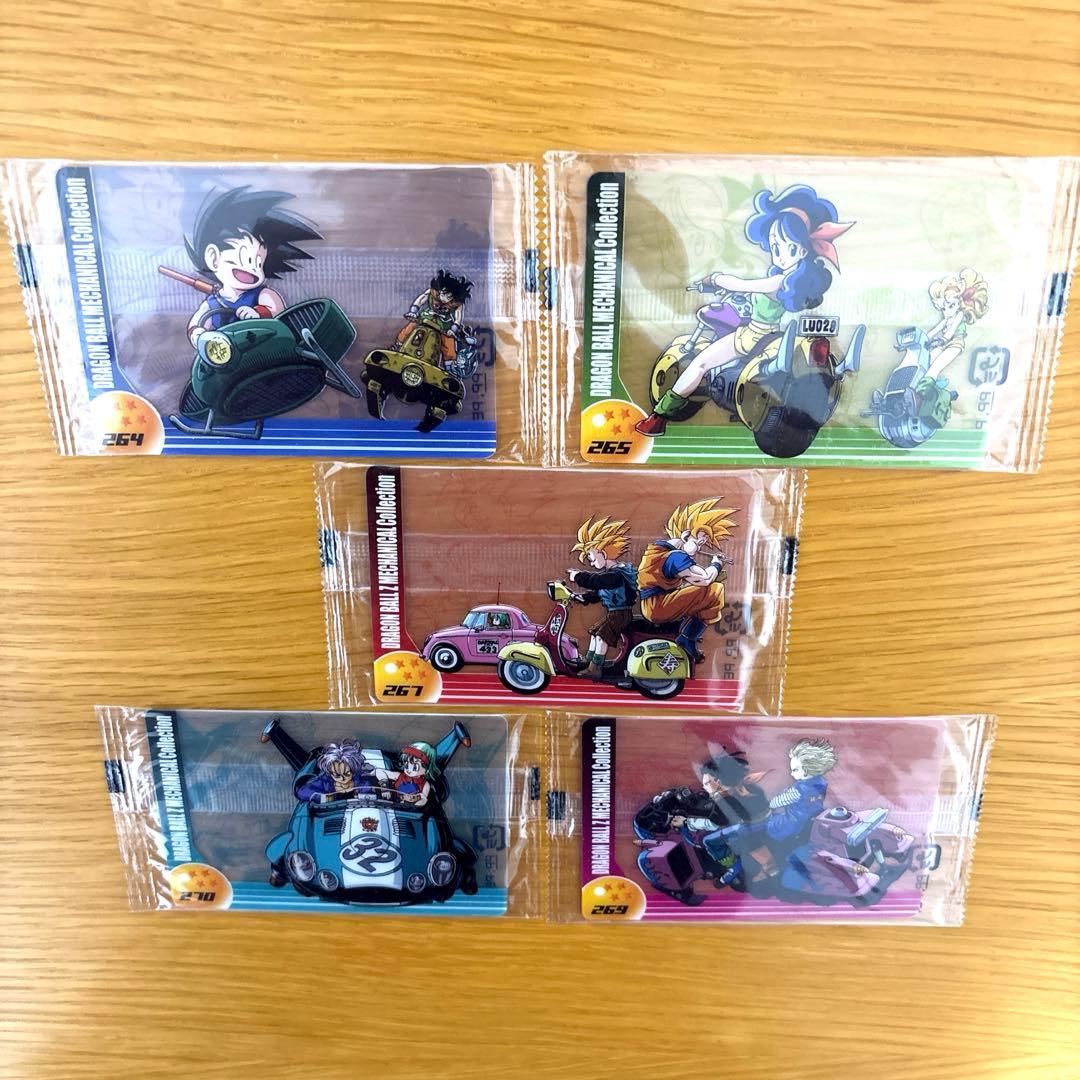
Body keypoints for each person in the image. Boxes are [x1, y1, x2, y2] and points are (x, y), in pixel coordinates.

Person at [636, 184, 853, 437]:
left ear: (802, 250)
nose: (777, 254)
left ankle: (658, 418)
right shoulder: (787, 280)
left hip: (752, 336)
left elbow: (742, 284)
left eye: (785, 247)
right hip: (770, 335)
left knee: (700, 364)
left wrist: (716, 279)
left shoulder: (779, 282)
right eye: (774, 246)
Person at [183, 186, 321, 347]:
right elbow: (195, 325)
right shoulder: (212, 304)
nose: (253, 268)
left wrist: (258, 313)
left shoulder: (261, 294)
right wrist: (199, 335)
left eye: (258, 263)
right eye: (245, 258)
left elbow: (278, 311)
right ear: (213, 257)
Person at [637, 499, 736, 662]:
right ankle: (687, 638)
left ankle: (688, 634)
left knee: (703, 594)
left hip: (656, 603)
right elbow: (704, 579)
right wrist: (716, 564)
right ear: (686, 535)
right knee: (714, 590)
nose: (699, 548)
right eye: (699, 541)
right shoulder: (675, 557)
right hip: (658, 607)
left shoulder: (658, 549)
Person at [567, 516, 638, 679]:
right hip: (614, 613)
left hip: (621, 614)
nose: (591, 563)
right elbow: (599, 592)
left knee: (601, 636)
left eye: (592, 558)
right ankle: (589, 662)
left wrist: (578, 577)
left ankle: (595, 668)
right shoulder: (611, 575)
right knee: (594, 632)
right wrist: (582, 597)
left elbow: (597, 581)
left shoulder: (617, 575)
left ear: (603, 553)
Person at [397, 270, 473, 365]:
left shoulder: (457, 304)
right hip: (424, 319)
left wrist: (453, 330)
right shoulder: (432, 292)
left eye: (448, 296)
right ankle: (398, 345)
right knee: (410, 327)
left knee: (448, 343)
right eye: (443, 293)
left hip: (443, 327)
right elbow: (421, 299)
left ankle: (450, 365)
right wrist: (413, 312)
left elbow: (458, 318)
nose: (444, 298)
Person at [925, 268, 989, 381]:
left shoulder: (959, 315)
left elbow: (952, 330)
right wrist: (923, 339)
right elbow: (935, 330)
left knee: (935, 368)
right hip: (942, 344)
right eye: (943, 309)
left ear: (959, 303)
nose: (947, 312)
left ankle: (923, 390)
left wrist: (943, 339)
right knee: (926, 361)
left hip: (955, 344)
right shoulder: (946, 319)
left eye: (951, 306)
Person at [296, 739, 373, 802]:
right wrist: (326, 798)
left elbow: (369, 789)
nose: (342, 779)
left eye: (347, 774)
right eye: (337, 775)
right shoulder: (325, 782)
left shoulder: (361, 781)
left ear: (353, 770)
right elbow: (302, 792)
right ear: (330, 773)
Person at [377, 741, 439, 808]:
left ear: (427, 769)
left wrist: (410, 803)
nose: (409, 770)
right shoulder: (399, 776)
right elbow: (379, 771)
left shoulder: (425, 784)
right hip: (389, 804)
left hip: (406, 810)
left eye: (415, 767)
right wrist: (385, 787)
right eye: (406, 765)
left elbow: (423, 800)